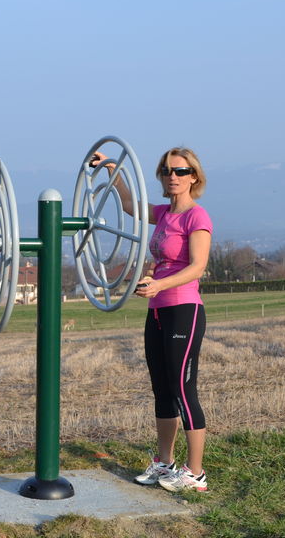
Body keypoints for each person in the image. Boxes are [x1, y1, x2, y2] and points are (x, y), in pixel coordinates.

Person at [92, 146, 212, 492]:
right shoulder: (163, 214)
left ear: (194, 177)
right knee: (161, 389)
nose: (173, 176)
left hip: (184, 309)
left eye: (181, 171)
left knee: (182, 390)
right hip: (157, 311)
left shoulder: (196, 216)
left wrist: (159, 283)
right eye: (167, 171)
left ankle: (196, 472)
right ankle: (164, 463)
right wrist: (112, 168)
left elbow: (197, 266)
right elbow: (130, 206)